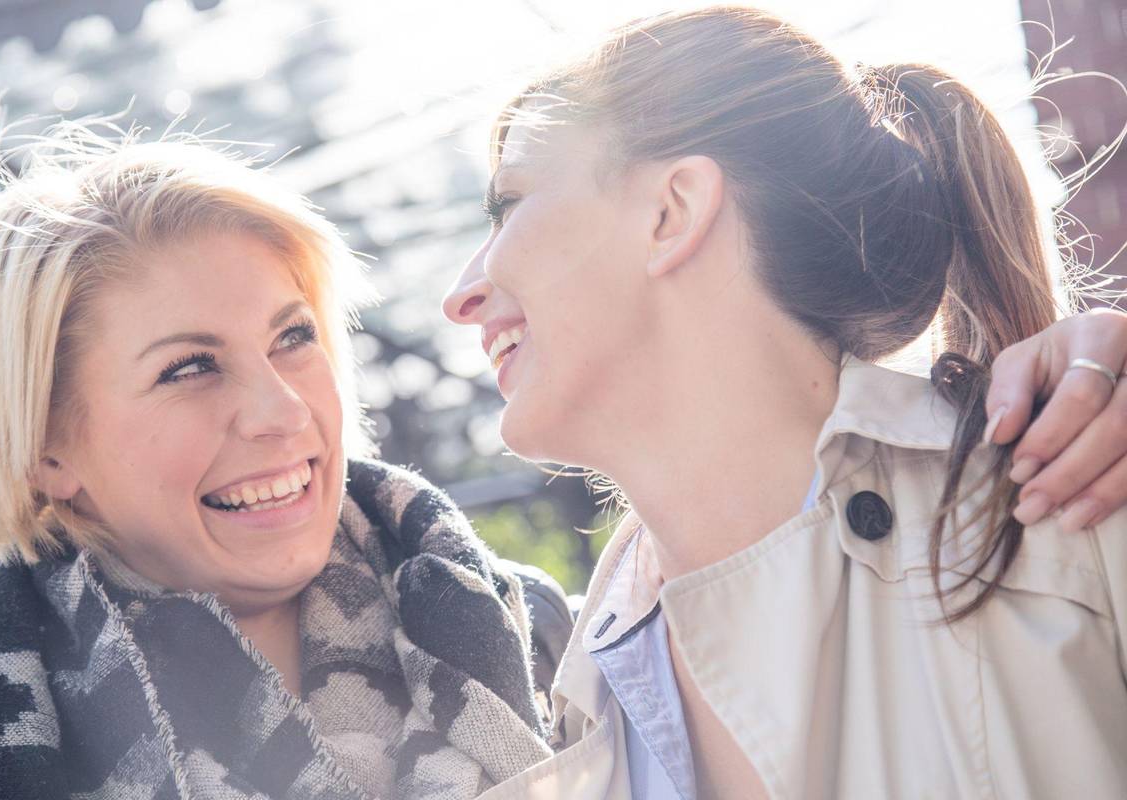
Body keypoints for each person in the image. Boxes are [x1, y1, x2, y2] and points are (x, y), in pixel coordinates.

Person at [442, 7, 1127, 798]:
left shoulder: (1071, 506)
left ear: (671, 212)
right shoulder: (569, 717)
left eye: (506, 207)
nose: (461, 295)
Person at [0, 126, 572, 799]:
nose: (284, 411)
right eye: (190, 367)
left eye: (293, 335)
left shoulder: (538, 637)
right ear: (44, 451)